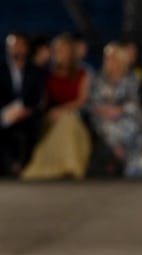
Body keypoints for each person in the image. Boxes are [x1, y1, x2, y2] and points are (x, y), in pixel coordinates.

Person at [20, 33, 91, 180]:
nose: (60, 54)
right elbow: (41, 100)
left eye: (63, 50)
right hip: (51, 117)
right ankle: (62, 166)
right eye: (57, 50)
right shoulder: (46, 74)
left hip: (73, 116)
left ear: (70, 52)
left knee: (68, 121)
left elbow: (82, 100)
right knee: (62, 121)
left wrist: (62, 110)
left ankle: (70, 165)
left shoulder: (82, 74)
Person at [88, 42, 142, 178]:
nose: (110, 62)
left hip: (124, 115)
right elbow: (93, 102)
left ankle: (138, 161)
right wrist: (105, 110)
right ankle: (116, 157)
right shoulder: (98, 79)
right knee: (107, 127)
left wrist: (119, 110)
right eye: (108, 59)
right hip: (103, 117)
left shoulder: (131, 78)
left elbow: (133, 102)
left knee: (140, 124)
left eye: (114, 59)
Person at [0, 33, 44, 175]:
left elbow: (38, 96)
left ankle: (26, 165)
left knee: (33, 127)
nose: (15, 49)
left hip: (28, 113)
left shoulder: (35, 70)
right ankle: (9, 164)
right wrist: (7, 111)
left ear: (26, 48)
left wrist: (27, 110)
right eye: (12, 46)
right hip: (5, 113)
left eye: (19, 45)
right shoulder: (1, 70)